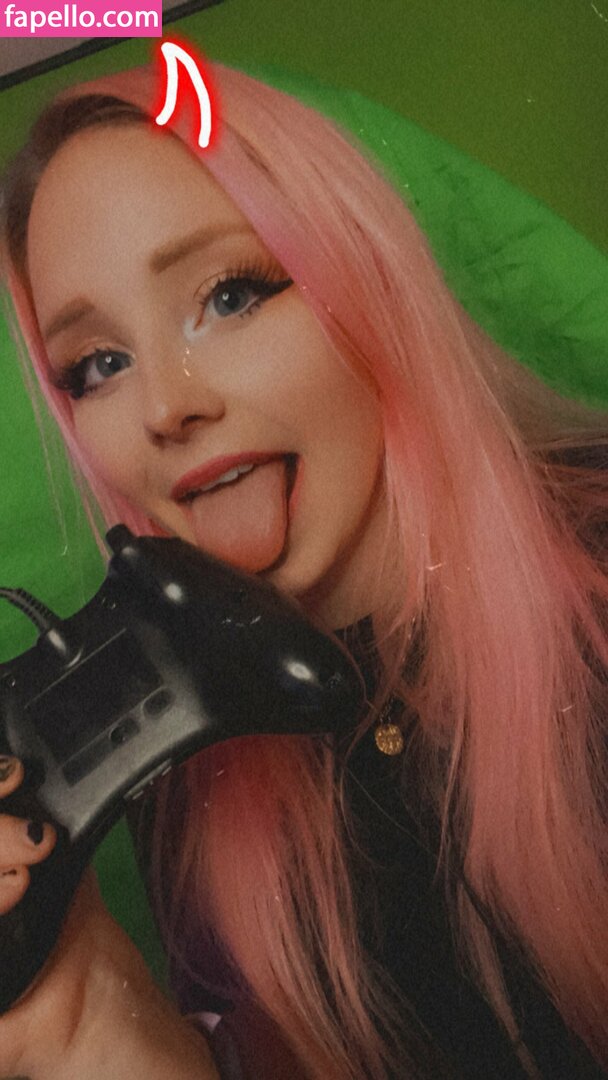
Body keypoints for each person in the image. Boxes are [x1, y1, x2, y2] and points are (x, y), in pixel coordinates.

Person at [0, 52, 607, 1080]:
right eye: (98, 365)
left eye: (230, 295)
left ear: (366, 275)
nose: (165, 407)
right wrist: (95, 1030)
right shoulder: (186, 787)